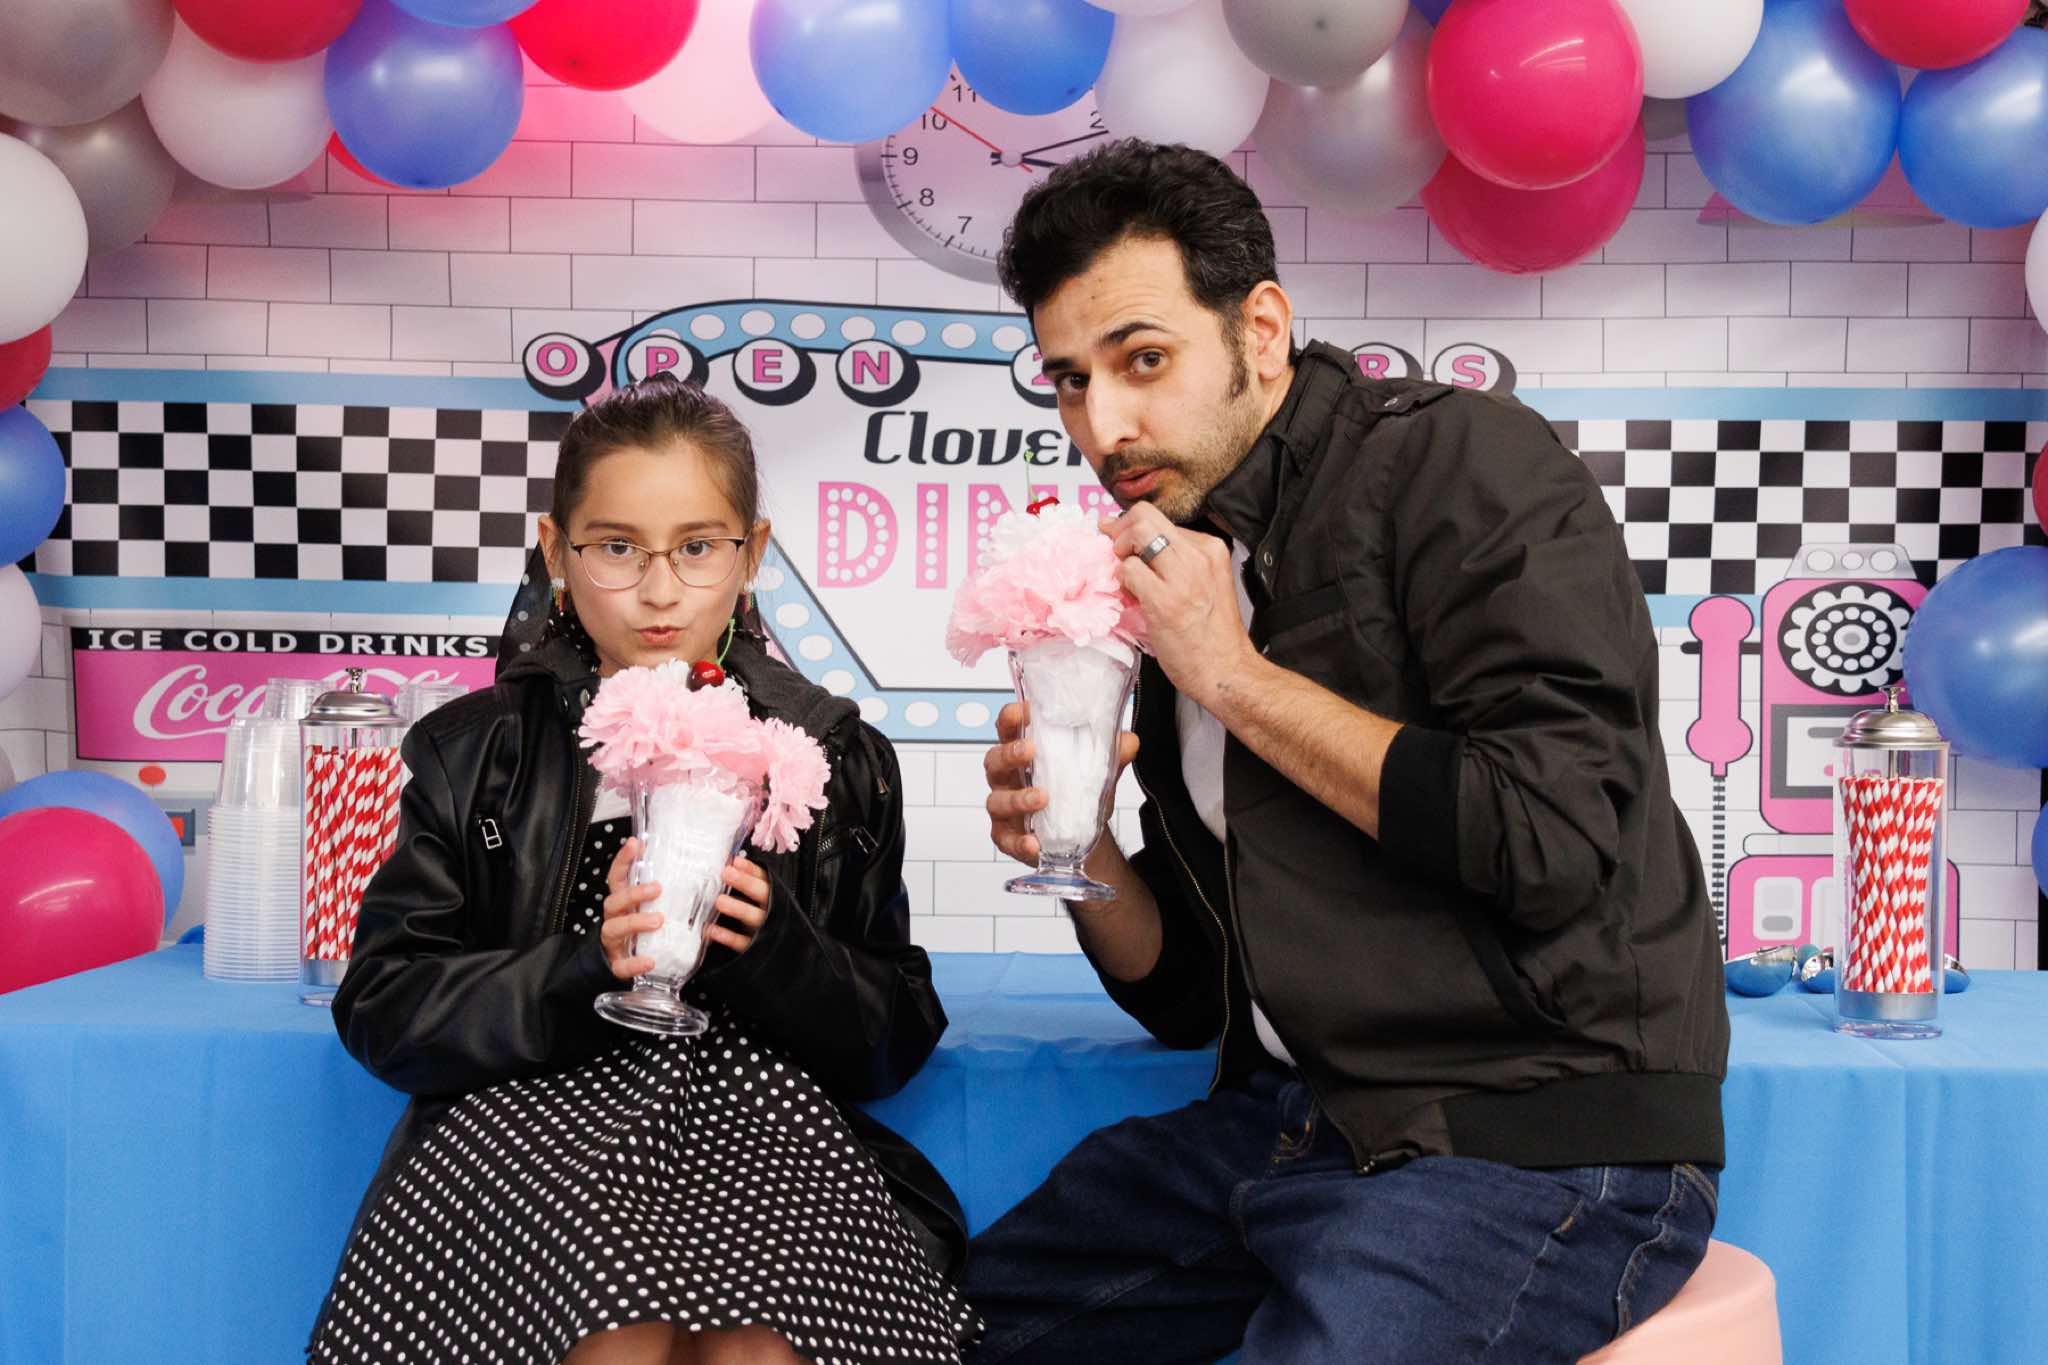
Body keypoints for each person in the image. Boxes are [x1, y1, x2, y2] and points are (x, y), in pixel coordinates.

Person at [964, 139, 1730, 1363]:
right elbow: (1188, 992)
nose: (1102, 426)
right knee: (929, 1330)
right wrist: (1084, 849)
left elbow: (1551, 838)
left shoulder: (1460, 462)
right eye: (1067, 380)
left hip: (1529, 1137)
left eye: (1142, 359)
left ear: (1260, 329)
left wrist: (1232, 677)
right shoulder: (1180, 565)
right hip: (1286, 1127)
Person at [309, 375, 979, 1365]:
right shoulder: (477, 751)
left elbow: (896, 1035)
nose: (660, 590)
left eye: (697, 548)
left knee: (761, 1348)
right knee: (616, 1336)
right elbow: (383, 1006)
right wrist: (581, 967)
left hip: (764, 1123)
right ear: (556, 551)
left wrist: (777, 952)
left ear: (751, 553)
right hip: (528, 1115)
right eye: (617, 548)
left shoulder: (832, 753)